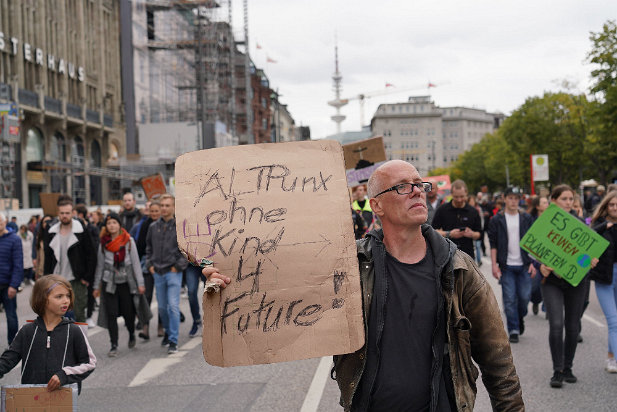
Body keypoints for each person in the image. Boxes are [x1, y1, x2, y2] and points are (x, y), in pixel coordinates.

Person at [203, 160, 524, 411]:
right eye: (402, 187)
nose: (417, 191)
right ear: (377, 205)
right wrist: (228, 278)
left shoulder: (458, 268)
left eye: (419, 184)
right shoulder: (347, 263)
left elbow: (497, 358)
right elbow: (277, 293)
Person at [540, 185, 597, 388]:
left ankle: (568, 367)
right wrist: (540, 265)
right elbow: (532, 249)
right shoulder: (544, 224)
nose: (568, 202)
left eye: (571, 199)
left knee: (572, 326)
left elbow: (586, 256)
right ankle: (557, 371)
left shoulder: (581, 225)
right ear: (553, 200)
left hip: (576, 282)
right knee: (556, 325)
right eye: (564, 198)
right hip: (552, 283)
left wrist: (590, 261)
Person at [0, 275, 96, 394]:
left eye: (68, 296)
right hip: (32, 396)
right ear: (43, 299)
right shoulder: (27, 331)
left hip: (63, 397)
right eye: (59, 296)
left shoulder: (74, 330)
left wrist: (64, 375)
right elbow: (8, 359)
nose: (66, 300)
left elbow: (89, 363)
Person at [93, 213, 147, 357]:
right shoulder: (103, 243)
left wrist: (140, 283)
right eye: (109, 223)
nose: (112, 225)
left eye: (114, 222)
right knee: (111, 314)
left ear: (119, 224)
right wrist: (96, 286)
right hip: (109, 282)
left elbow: (136, 264)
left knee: (128, 313)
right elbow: (100, 265)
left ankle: (131, 333)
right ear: (106, 226)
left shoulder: (128, 241)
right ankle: (114, 344)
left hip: (126, 282)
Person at [487, 187, 536, 343]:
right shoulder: (497, 219)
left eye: (516, 198)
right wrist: (494, 265)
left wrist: (534, 262)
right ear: (504, 198)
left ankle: (519, 317)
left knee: (524, 297)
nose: (514, 201)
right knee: (509, 298)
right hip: (506, 265)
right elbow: (493, 244)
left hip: (524, 264)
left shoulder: (526, 218)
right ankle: (513, 328)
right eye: (511, 198)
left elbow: (534, 241)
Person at [43, 195, 97, 323]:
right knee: (57, 316)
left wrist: (87, 278)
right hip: (56, 280)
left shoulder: (81, 231)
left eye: (67, 213)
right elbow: (48, 258)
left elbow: (91, 255)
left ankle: (82, 342)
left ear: (72, 212)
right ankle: (62, 343)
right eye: (62, 213)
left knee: (78, 315)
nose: (65, 216)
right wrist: (46, 280)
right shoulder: (51, 232)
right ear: (58, 213)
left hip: (76, 280)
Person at [146, 194, 188, 354]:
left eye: (167, 205)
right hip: (158, 271)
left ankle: (173, 340)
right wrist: (150, 264)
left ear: (174, 207)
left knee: (173, 306)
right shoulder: (153, 227)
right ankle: (169, 333)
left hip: (173, 272)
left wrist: (178, 266)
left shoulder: (180, 225)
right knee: (162, 308)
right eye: (162, 205)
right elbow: (148, 247)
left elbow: (187, 250)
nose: (163, 208)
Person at [588, 191, 617, 373]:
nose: (615, 208)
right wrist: (604, 227)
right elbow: (584, 251)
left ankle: (610, 357)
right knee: (614, 321)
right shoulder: (599, 225)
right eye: (612, 205)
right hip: (604, 279)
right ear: (606, 206)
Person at [432, 179, 482, 260]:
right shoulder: (442, 210)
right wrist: (449, 233)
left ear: (466, 193)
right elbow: (433, 231)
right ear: (451, 194)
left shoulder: (473, 211)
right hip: (448, 256)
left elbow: (480, 234)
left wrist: (471, 234)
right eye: (456, 197)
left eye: (462, 197)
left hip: (468, 256)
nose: (459, 200)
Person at [136, 200, 161, 339]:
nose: (154, 213)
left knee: (162, 299)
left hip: (163, 264)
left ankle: (161, 326)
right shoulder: (145, 225)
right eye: (152, 211)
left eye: (157, 211)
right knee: (146, 296)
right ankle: (145, 327)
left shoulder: (166, 225)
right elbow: (140, 246)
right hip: (147, 265)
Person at [74, 203, 100, 328]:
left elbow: (94, 249)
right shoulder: (72, 228)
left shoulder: (92, 229)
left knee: (89, 294)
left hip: (90, 267)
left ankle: (89, 316)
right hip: (77, 268)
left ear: (80, 215)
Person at [0, 213, 23, 345]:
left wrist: (14, 285)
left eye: (0, 222)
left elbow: (18, 264)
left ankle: (13, 345)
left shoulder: (14, 239)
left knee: (11, 316)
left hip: (8, 285)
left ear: (5, 222)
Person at [529, 195, 549, 315]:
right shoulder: (531, 220)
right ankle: (536, 301)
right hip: (536, 259)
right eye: (544, 202)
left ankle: (548, 309)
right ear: (537, 206)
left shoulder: (552, 220)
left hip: (549, 257)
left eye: (547, 202)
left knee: (549, 284)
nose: (547, 204)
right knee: (535, 287)